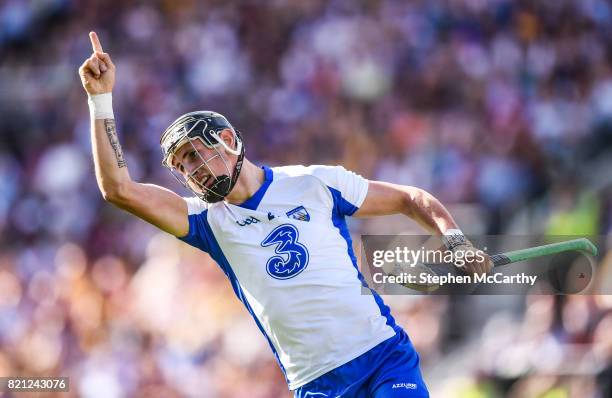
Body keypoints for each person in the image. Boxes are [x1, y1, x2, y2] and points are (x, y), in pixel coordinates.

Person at [78, 31, 492, 398]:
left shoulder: (313, 183)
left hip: (382, 355)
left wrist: (456, 242)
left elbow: (410, 198)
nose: (191, 170)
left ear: (226, 139)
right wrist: (101, 101)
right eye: (182, 167)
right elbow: (119, 189)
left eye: (193, 154)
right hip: (317, 384)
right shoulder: (207, 223)